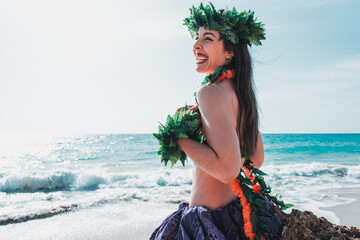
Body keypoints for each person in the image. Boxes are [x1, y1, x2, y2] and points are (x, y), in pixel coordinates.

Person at [151, 3, 284, 240]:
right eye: (197, 37)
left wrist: (179, 138)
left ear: (229, 52)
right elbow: (256, 159)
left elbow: (226, 169)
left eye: (208, 39)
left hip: (207, 223)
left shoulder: (209, 92)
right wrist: (205, 124)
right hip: (234, 215)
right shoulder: (241, 94)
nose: (196, 45)